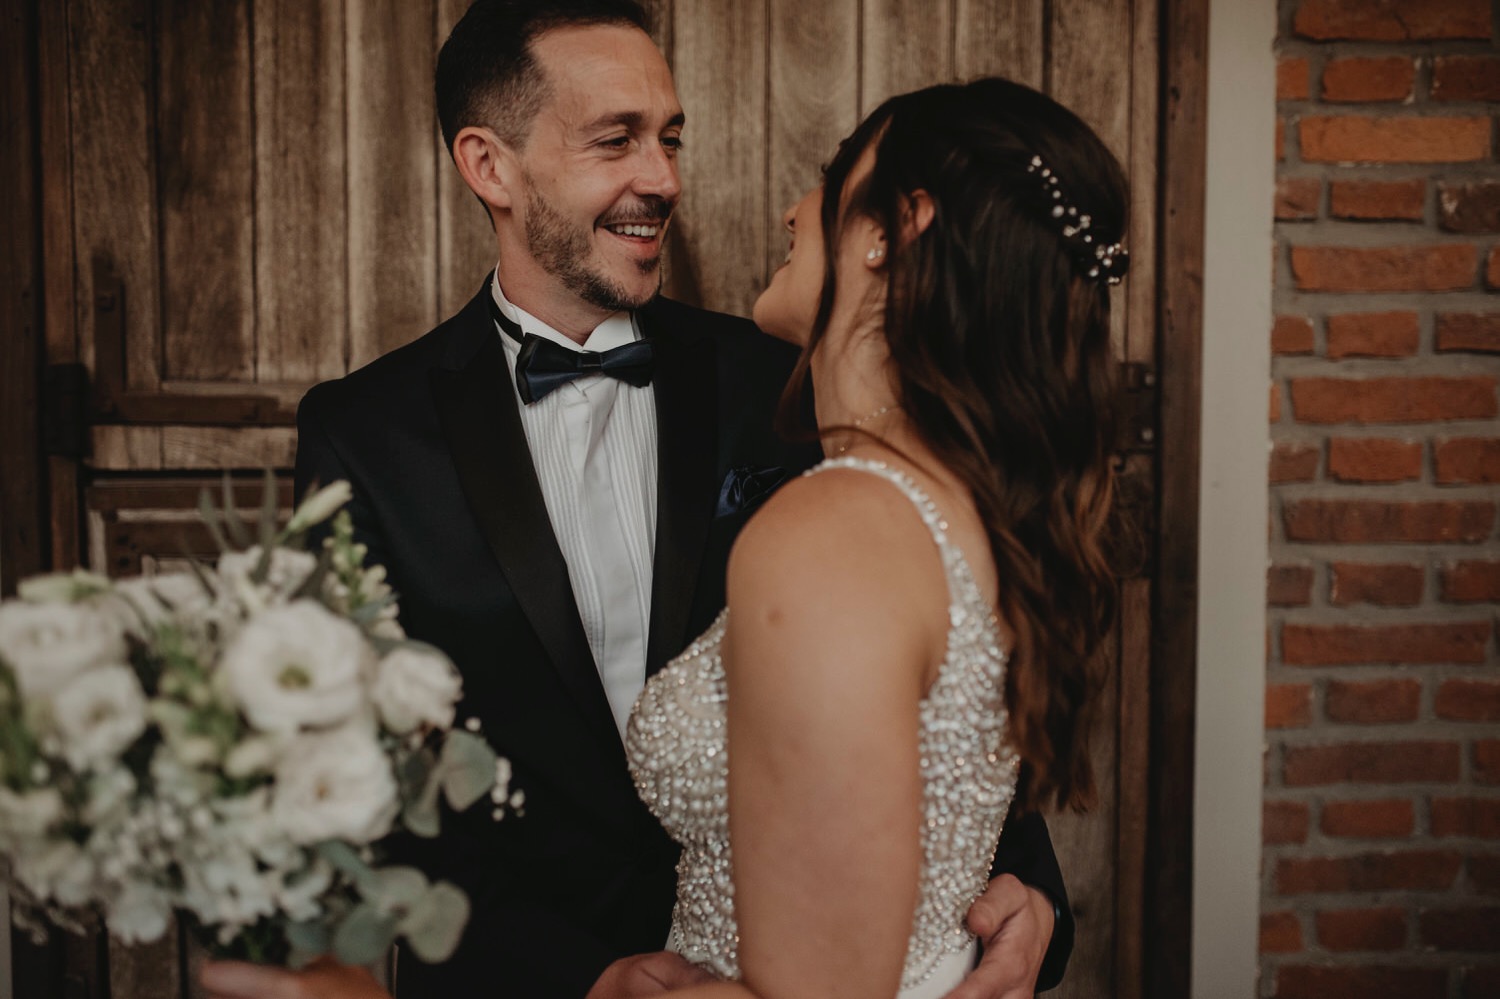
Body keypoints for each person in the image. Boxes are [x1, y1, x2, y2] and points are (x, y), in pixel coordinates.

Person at [199, 3, 1076, 998]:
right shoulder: (364, 435)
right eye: (616, 140)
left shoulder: (787, 380)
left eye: (670, 138)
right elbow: (353, 781)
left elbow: (935, 661)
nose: (663, 179)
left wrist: (1030, 895)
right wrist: (580, 978)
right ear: (489, 166)